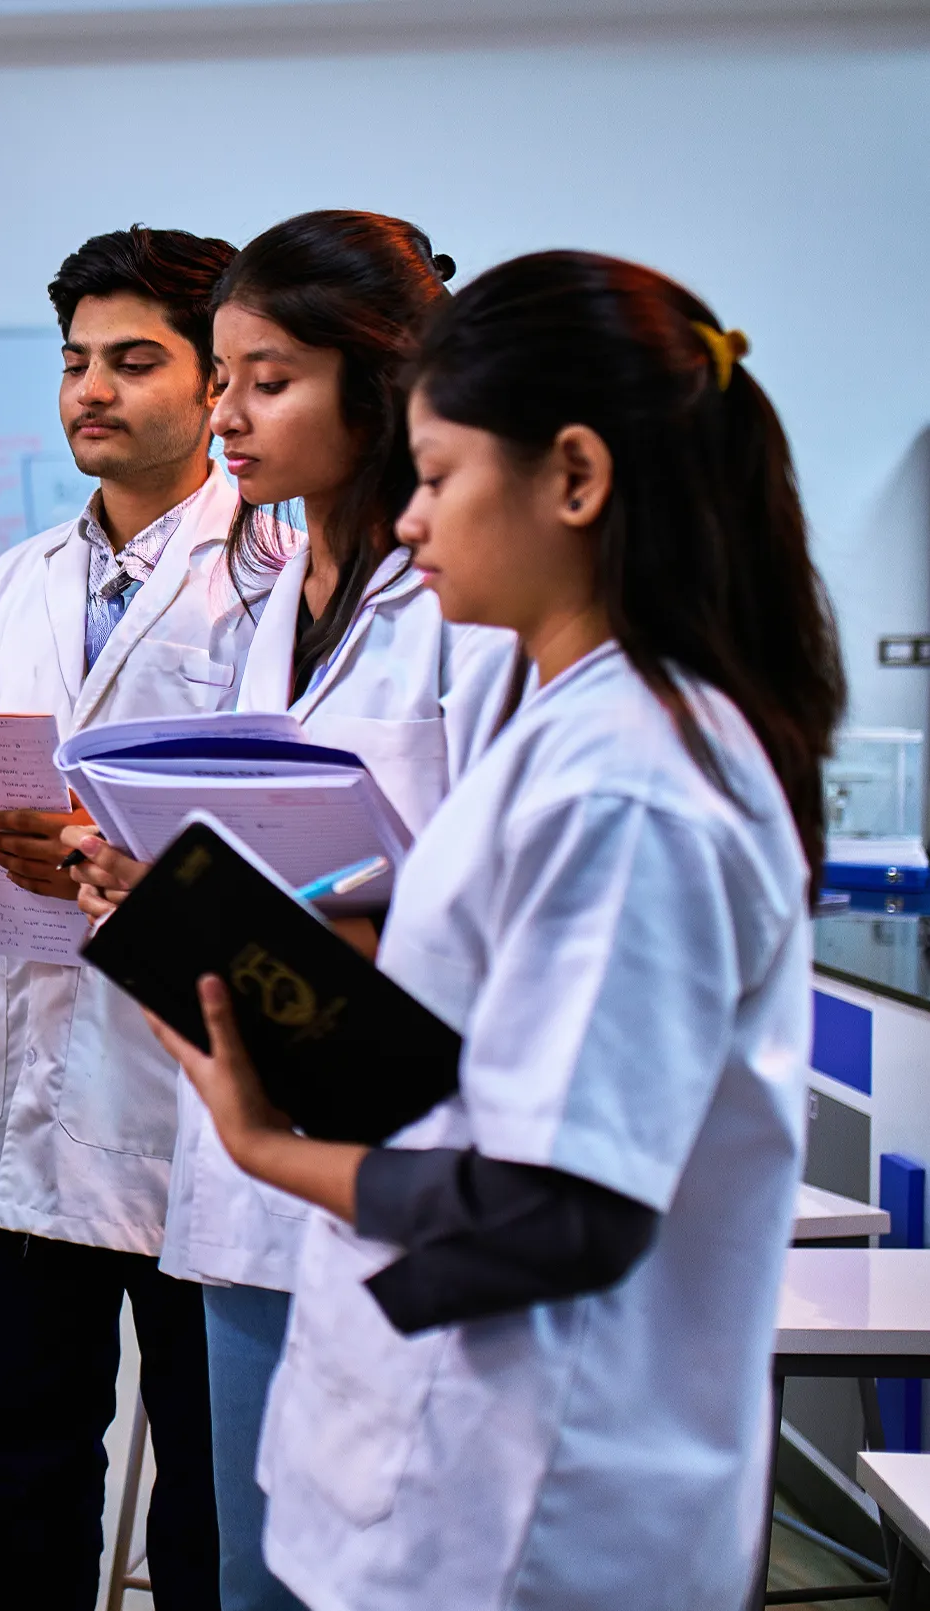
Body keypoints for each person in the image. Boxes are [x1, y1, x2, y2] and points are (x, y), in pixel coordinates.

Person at [154, 250, 843, 1610]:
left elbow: (554, 1213)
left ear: (573, 479)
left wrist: (270, 1149)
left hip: (534, 1502)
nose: (408, 523)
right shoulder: (587, 731)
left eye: (438, 476)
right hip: (461, 1456)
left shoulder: (631, 779)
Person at [61, 210, 519, 1611]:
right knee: (253, 1568)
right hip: (259, 1164)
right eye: (224, 375)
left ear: (375, 383)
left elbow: (485, 879)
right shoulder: (274, 601)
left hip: (399, 1146)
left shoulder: (464, 608)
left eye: (267, 380)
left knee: (372, 1565)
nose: (227, 412)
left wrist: (319, 898)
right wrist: (155, 881)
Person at [0, 224, 262, 1611]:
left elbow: (279, 833)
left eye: (134, 360)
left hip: (188, 1087)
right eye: (75, 360)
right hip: (20, 1076)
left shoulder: (264, 577)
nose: (91, 388)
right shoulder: (19, 577)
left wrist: (109, 851)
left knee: (203, 1475)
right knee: (25, 1466)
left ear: (215, 385)